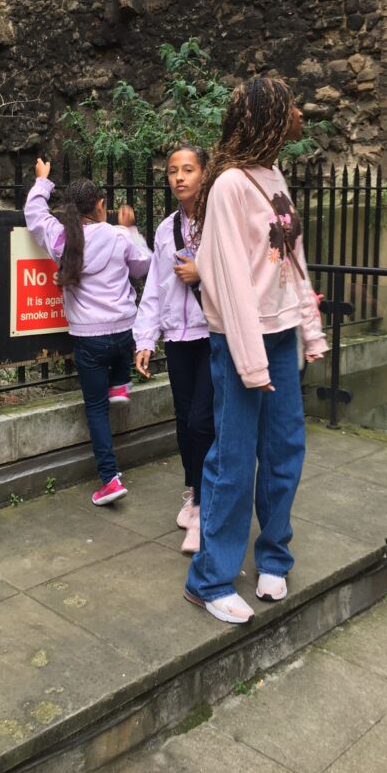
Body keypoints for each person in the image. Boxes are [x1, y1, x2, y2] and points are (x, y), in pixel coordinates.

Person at [184, 77, 328, 625]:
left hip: (281, 332)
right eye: (291, 106)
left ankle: (274, 555)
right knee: (234, 461)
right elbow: (226, 283)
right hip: (242, 339)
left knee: (286, 449)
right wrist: (250, 361)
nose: (299, 113)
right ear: (268, 116)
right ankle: (210, 578)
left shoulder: (273, 176)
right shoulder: (228, 187)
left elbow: (291, 260)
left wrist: (310, 330)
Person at [24, 159, 152, 505]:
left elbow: (34, 215)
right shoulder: (118, 235)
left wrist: (43, 181)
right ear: (101, 206)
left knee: (96, 409)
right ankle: (122, 382)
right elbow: (143, 266)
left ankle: (110, 479)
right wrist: (132, 229)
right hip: (124, 332)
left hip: (88, 337)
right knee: (121, 351)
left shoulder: (60, 238)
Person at [133, 144, 214, 555]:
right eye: (172, 171)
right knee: (185, 421)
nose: (179, 177)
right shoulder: (167, 229)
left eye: (188, 170)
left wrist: (204, 272)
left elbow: (241, 274)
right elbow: (155, 288)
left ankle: (202, 506)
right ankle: (193, 490)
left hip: (212, 334)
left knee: (202, 422)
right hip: (178, 338)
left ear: (204, 174)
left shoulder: (221, 221)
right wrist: (145, 339)